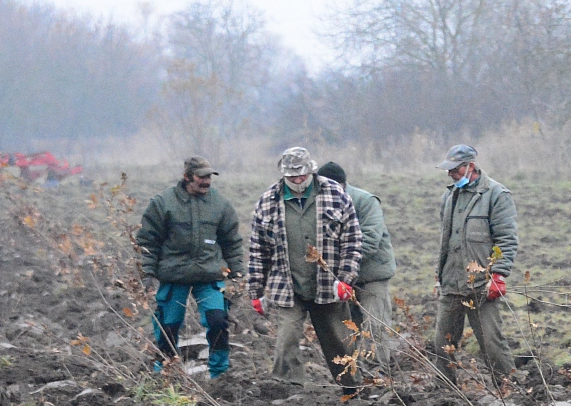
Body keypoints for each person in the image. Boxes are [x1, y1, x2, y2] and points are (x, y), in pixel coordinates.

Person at [247, 147, 363, 389]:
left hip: (329, 286)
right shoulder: (268, 202)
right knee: (286, 340)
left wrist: (346, 278)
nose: (298, 181)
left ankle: (353, 389)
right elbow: (258, 250)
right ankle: (287, 390)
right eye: (292, 177)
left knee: (339, 342)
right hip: (288, 287)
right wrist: (256, 291)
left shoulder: (336, 195)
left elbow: (352, 240)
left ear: (311, 171)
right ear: (284, 175)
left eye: (302, 175)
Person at [135, 156, 244, 378]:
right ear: (187, 177)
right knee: (168, 326)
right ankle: (165, 372)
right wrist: (147, 273)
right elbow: (148, 242)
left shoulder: (220, 204)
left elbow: (231, 242)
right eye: (201, 177)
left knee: (218, 321)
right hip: (173, 275)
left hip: (209, 275)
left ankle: (220, 374)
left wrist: (237, 272)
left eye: (209, 177)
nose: (207, 181)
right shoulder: (163, 203)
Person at [433, 143, 518, 381]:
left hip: (482, 284)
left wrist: (498, 275)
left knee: (492, 343)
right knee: (442, 344)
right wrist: (439, 274)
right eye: (449, 170)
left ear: (471, 166)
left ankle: (509, 388)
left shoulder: (496, 195)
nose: (451, 174)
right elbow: (445, 240)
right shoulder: (449, 197)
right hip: (451, 281)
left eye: (455, 169)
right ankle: (445, 392)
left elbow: (506, 238)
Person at [317, 162, 397, 374]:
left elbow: (370, 239)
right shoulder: (319, 203)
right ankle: (353, 373)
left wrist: (343, 266)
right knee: (348, 328)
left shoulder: (366, 201)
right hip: (341, 279)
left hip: (371, 275)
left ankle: (377, 374)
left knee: (375, 326)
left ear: (342, 185)